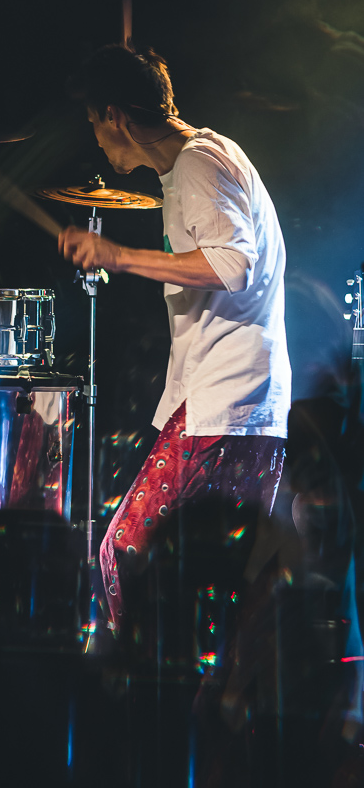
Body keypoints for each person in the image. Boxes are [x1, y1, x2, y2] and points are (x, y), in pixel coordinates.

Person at [59, 43, 292, 635]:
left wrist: (120, 255)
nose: (95, 139)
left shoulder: (196, 164)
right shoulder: (208, 155)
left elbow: (232, 264)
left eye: (94, 123)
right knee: (215, 588)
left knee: (127, 555)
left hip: (223, 403)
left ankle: (144, 707)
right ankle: (207, 707)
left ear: (115, 115)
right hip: (248, 406)